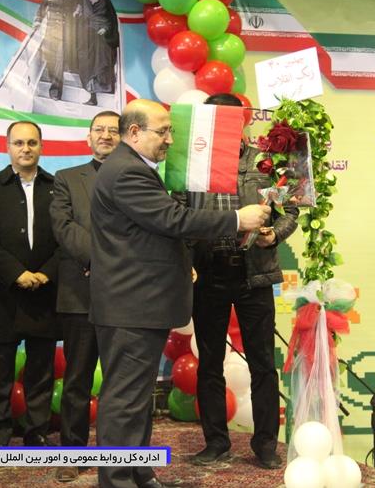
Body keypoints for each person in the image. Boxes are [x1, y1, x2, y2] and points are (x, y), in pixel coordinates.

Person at [89, 99, 270, 488]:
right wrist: (237, 218)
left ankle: (138, 475)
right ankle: (117, 481)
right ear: (134, 132)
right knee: (124, 401)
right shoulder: (126, 171)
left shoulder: (133, 167)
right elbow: (173, 219)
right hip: (130, 306)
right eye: (163, 131)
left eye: (170, 130)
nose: (171, 139)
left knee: (136, 401)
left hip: (139, 304)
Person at [185, 94, 298, 470]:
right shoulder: (193, 166)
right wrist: (186, 256)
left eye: (230, 118)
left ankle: (265, 443)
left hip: (254, 274)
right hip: (208, 273)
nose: (223, 124)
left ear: (243, 120)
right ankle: (216, 441)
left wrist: (274, 234)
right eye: (214, 118)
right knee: (209, 363)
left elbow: (288, 210)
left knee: (263, 362)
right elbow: (176, 213)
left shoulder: (265, 164)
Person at [0, 121, 59, 447]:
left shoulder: (58, 187)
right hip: (4, 292)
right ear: (7, 147)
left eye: (32, 142)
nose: (26, 149)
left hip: (45, 290)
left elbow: (65, 238)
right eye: (19, 143)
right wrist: (16, 274)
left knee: (41, 368)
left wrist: (47, 273)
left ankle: (37, 433)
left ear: (41, 146)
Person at [50, 110, 121, 483]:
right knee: (77, 379)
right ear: (89, 137)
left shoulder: (139, 178)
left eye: (113, 130)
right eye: (99, 129)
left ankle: (117, 455)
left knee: (119, 383)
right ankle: (72, 453)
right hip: (79, 293)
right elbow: (63, 226)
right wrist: (99, 260)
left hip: (125, 296)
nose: (106, 135)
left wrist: (113, 266)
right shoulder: (66, 178)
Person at [34, 0, 80, 101]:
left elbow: (77, 6)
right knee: (50, 59)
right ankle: (52, 78)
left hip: (64, 33)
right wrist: (37, 22)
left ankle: (55, 91)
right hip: (50, 32)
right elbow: (42, 8)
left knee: (60, 59)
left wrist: (77, 10)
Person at [77, 0, 119, 106]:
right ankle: (92, 97)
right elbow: (82, 17)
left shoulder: (106, 1)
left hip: (102, 39)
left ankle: (98, 97)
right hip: (87, 38)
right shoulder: (84, 0)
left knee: (100, 65)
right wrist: (78, 14)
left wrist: (105, 29)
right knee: (88, 65)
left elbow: (112, 20)